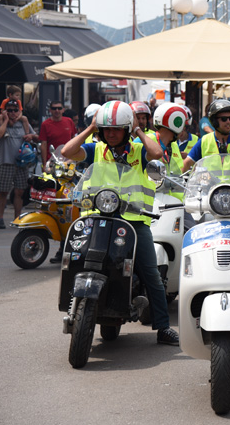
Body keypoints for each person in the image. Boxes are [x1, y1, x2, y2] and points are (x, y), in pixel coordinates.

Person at [61, 101, 179, 346]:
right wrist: (90, 128)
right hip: (97, 217)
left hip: (134, 221)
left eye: (116, 129)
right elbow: (67, 152)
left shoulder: (138, 150)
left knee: (151, 273)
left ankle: (163, 327)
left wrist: (138, 130)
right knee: (76, 259)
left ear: (126, 129)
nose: (111, 134)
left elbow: (157, 154)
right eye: (106, 129)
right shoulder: (96, 150)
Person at [0, 99, 37, 229]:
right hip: (5, 162)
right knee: (3, 192)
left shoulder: (24, 123)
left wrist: (31, 137)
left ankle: (17, 218)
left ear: (20, 111)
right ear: (5, 111)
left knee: (19, 192)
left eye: (15, 110)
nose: (12, 113)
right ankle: (0, 218)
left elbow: (36, 136)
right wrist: (5, 120)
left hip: (21, 163)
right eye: (9, 110)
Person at [183, 99, 230, 172]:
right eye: (224, 119)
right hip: (210, 183)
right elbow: (187, 162)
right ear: (214, 121)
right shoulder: (204, 140)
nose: (228, 122)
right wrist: (178, 180)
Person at [39, 101, 76, 169]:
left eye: (59, 108)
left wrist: (75, 158)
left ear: (63, 110)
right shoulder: (45, 124)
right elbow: (43, 145)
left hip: (68, 161)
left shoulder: (69, 121)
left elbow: (74, 140)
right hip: (52, 162)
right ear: (50, 110)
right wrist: (44, 165)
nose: (57, 110)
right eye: (54, 108)